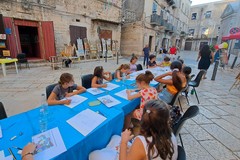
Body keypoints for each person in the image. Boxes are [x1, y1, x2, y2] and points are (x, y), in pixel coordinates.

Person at [89, 100, 178, 160]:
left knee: (92, 155)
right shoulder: (169, 132)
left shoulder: (142, 141)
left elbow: (142, 149)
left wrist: (124, 142)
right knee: (115, 137)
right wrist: (130, 148)